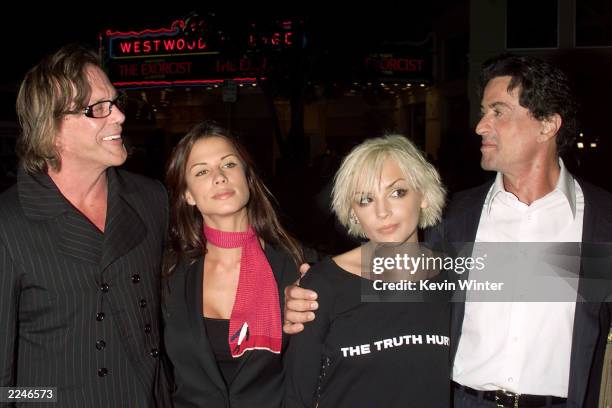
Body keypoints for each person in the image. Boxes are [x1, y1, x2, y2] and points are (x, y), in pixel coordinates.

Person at [284, 55, 612, 408]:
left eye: (497, 111)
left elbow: (537, 282)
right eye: (484, 111)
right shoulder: (452, 219)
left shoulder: (603, 221)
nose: (480, 126)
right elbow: (377, 290)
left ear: (548, 124)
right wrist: (308, 291)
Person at [0, 44, 169, 406]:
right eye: (98, 109)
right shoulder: (8, 224)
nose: (120, 116)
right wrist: (49, 399)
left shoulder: (151, 199)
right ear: (52, 130)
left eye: (116, 102)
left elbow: (198, 280)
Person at [285, 135, 450, 407]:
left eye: (397, 192)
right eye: (365, 200)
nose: (382, 211)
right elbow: (297, 395)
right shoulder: (324, 284)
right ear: (353, 213)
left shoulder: (451, 276)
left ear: (422, 195)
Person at [162, 121, 303, 407]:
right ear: (188, 195)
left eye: (229, 165)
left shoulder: (297, 265)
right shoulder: (167, 272)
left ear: (247, 177)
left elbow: (397, 279)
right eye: (202, 171)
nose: (219, 177)